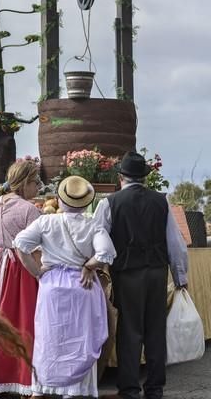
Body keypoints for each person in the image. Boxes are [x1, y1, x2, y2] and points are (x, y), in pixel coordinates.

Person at [93, 151, 188, 399]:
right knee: (156, 329)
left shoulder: (109, 203)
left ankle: (130, 389)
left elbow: (97, 240)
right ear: (144, 177)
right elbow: (175, 243)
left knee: (130, 332)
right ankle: (155, 388)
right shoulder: (161, 201)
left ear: (120, 176)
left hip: (127, 274)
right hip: (157, 272)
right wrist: (180, 277)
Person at [14, 175, 117, 398]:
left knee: (49, 338)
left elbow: (20, 244)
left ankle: (42, 388)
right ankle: (74, 390)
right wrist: (89, 266)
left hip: (52, 286)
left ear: (60, 200)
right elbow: (106, 253)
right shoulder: (92, 225)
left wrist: (36, 272)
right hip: (83, 285)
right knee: (81, 338)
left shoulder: (46, 222)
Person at [0, 159, 41, 396]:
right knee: (22, 322)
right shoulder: (30, 210)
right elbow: (36, 247)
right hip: (19, 269)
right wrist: (40, 272)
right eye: (34, 182)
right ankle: (23, 383)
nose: (38, 187)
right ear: (23, 183)